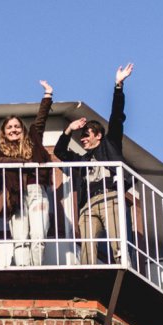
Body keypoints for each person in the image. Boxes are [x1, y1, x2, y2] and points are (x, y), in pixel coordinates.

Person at [53, 62, 134, 265]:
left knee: (118, 243)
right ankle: (87, 277)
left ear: (98, 135)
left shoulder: (109, 144)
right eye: (81, 136)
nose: (83, 139)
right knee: (87, 249)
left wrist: (118, 86)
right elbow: (59, 152)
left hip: (110, 198)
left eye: (87, 134)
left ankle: (123, 269)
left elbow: (116, 117)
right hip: (87, 205)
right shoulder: (81, 160)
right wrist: (69, 129)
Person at [0, 80, 54, 266]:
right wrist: (24, 163)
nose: (14, 130)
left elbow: (40, 120)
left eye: (17, 126)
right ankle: (24, 270)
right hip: (15, 195)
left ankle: (36, 269)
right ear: (4, 132)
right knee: (20, 239)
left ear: (22, 129)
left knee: (39, 235)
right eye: (9, 127)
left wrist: (47, 95)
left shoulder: (32, 141)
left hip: (36, 192)